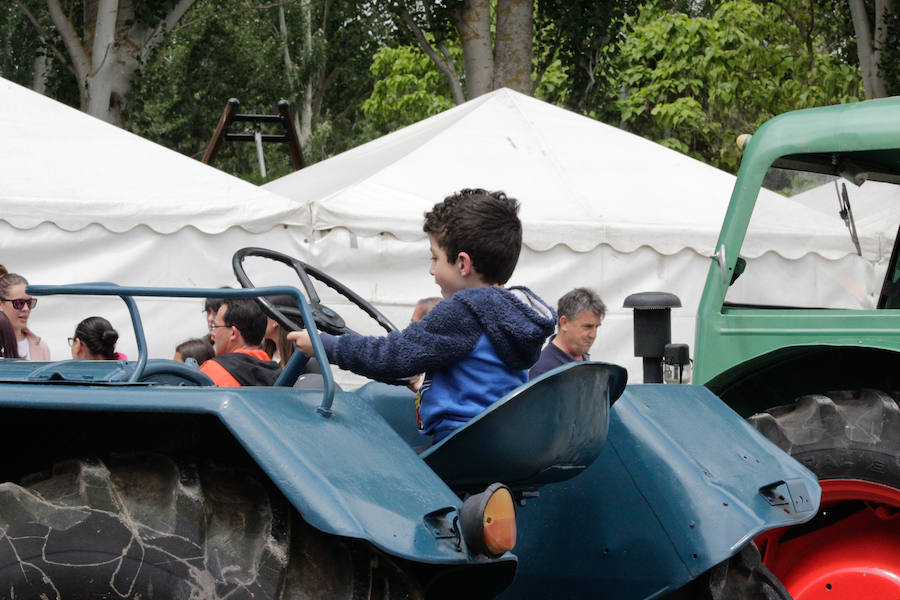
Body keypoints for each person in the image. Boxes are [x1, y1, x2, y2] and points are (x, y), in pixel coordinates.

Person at [289, 188, 556, 443]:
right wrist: (425, 384)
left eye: (435, 258)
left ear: (462, 264)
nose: (431, 270)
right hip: (499, 439)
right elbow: (479, 378)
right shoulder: (513, 315)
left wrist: (325, 345)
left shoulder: (463, 311)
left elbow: (394, 356)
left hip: (460, 441)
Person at [201, 297, 281, 386]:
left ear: (233, 333)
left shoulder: (210, 373)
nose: (213, 334)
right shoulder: (281, 375)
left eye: (215, 327)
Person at [529, 287, 606, 379]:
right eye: (587, 327)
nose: (593, 335)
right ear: (564, 323)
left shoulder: (581, 358)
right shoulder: (543, 370)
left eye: (596, 327)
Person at [0, 272, 50, 361]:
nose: (26, 309)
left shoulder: (41, 347)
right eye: (18, 303)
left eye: (29, 302)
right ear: (1, 304)